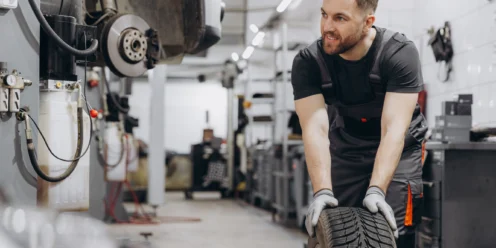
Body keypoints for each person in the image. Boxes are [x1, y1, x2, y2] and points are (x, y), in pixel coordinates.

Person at [290, 0, 427, 247]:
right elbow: (315, 129)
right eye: (324, 15)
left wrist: (377, 190)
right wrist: (322, 191)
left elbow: (393, 130)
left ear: (368, 23)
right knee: (333, 224)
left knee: (392, 231)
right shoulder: (309, 62)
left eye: (340, 18)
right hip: (346, 145)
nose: (326, 27)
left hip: (399, 149)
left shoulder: (398, 54)